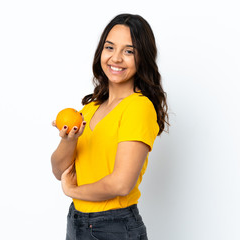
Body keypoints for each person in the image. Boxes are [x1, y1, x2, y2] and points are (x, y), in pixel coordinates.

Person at [51, 13, 169, 240]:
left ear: (142, 57)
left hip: (114, 225)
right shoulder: (89, 109)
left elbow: (121, 184)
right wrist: (69, 141)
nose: (116, 58)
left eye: (128, 51)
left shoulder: (138, 107)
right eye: (110, 47)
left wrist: (73, 192)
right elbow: (58, 171)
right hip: (76, 221)